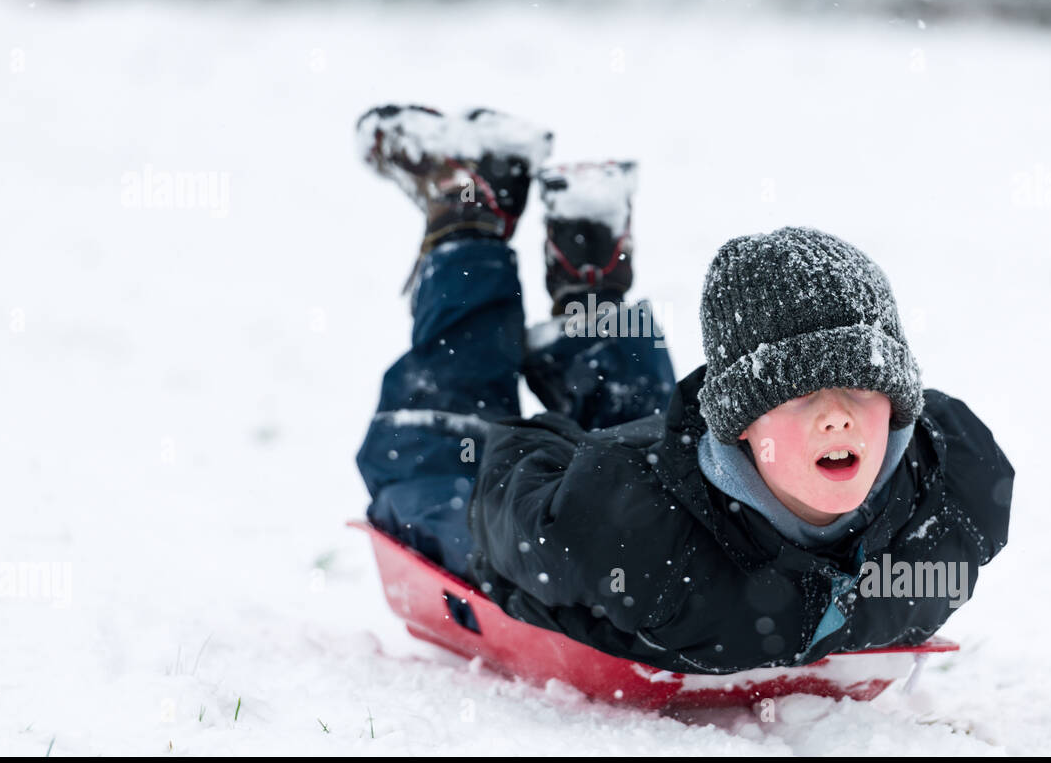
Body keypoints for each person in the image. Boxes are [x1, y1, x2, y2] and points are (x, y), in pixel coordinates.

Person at [354, 104, 1015, 675]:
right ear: (740, 419)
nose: (839, 418)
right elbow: (518, 489)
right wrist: (515, 466)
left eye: (862, 388)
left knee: (639, 446)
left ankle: (590, 276)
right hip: (575, 523)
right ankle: (470, 212)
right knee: (433, 461)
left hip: (665, 509)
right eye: (801, 393)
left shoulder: (952, 492)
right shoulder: (620, 537)